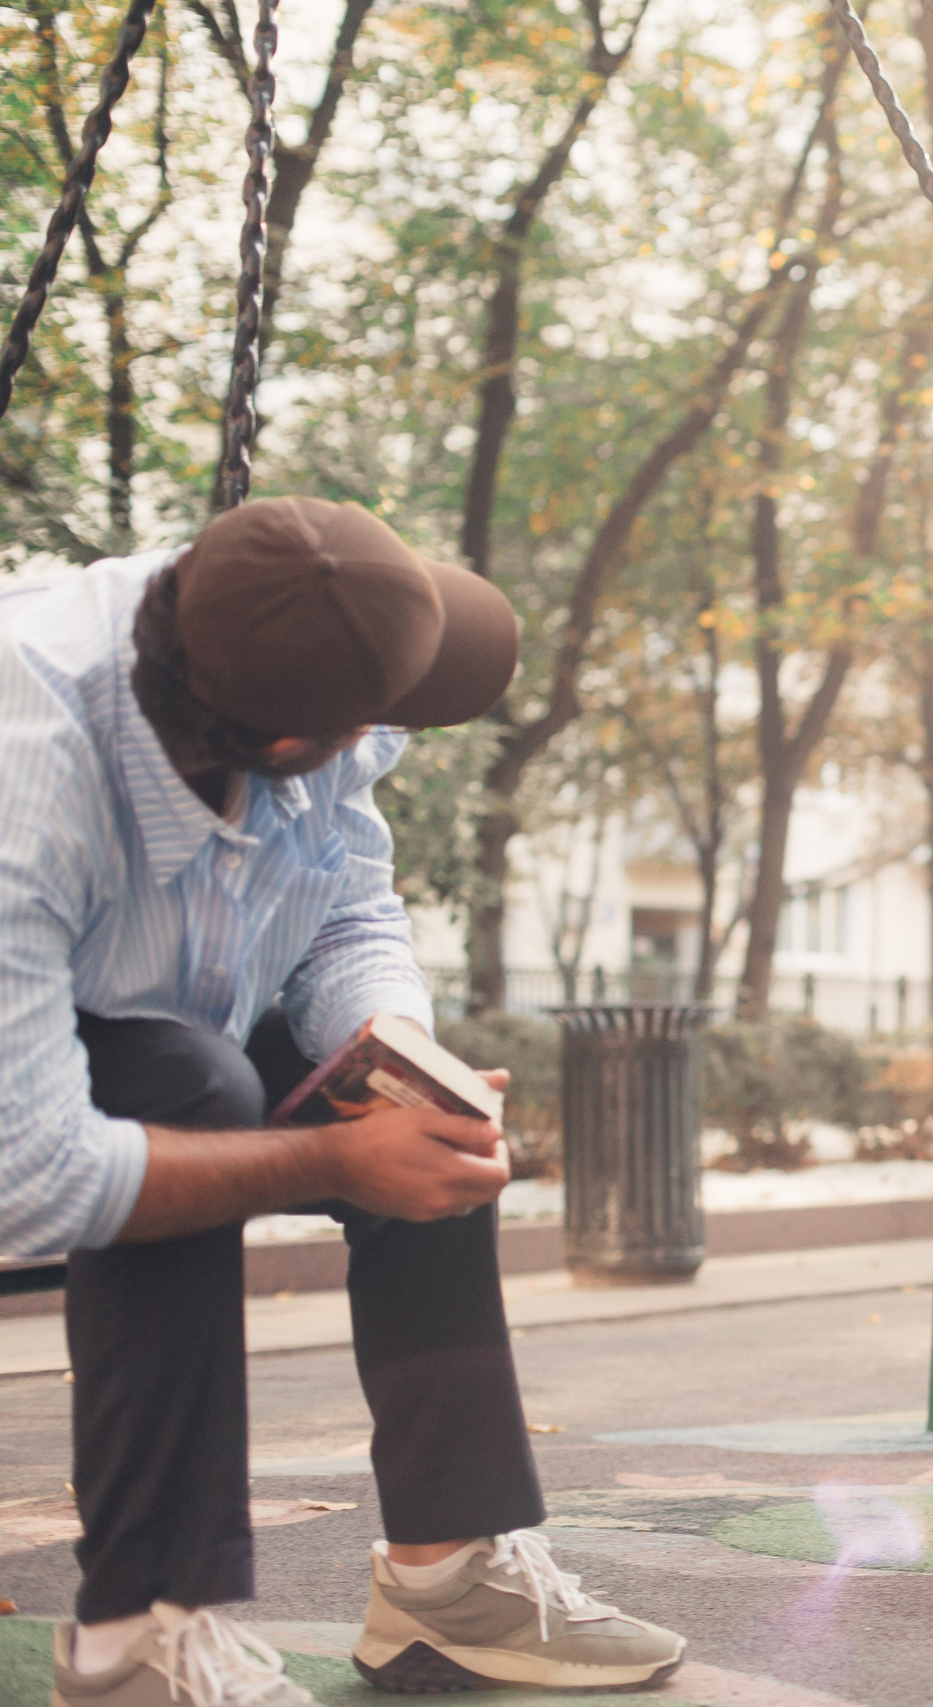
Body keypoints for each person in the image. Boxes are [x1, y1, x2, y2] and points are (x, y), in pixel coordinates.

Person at [1, 498, 686, 1706]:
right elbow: (34, 1176)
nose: (386, 733)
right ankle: (135, 1643)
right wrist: (328, 1164)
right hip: (32, 1057)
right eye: (369, 722)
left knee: (423, 1111)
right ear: (272, 747)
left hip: (160, 992)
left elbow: (346, 908)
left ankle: (449, 1575)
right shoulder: (28, 765)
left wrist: (397, 1048)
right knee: (197, 1093)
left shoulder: (279, 631)